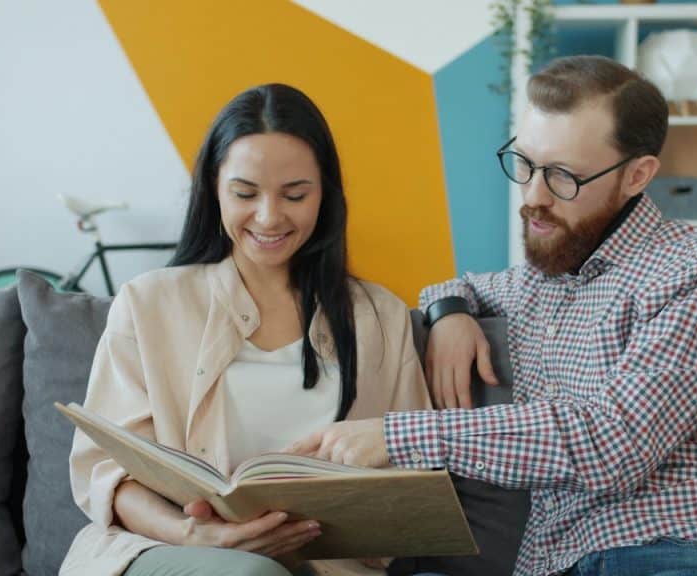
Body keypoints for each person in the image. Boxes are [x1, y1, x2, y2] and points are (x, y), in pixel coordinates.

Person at [288, 56, 697, 576]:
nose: (533, 197)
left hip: (695, 544)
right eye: (526, 164)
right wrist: (450, 313)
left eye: (562, 176)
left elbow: (614, 443)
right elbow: (460, 285)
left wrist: (395, 438)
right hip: (562, 560)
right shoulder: (539, 281)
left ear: (637, 175)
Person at [60, 83, 431, 576]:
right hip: (171, 552)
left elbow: (415, 477)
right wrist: (199, 535)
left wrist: (454, 311)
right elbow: (110, 473)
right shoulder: (148, 303)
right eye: (245, 193)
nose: (269, 217)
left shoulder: (378, 316)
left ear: (326, 194)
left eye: (295, 194)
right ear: (214, 189)